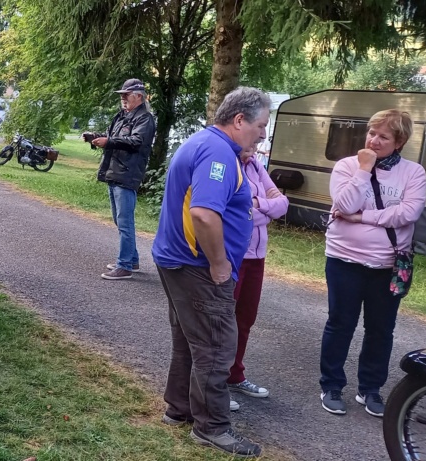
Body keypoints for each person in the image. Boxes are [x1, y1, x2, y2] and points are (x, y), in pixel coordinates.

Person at [151, 86, 271, 458]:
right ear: (239, 120)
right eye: (261, 125)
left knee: (191, 340)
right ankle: (212, 428)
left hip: (178, 261)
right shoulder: (218, 151)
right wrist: (220, 263)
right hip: (198, 267)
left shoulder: (204, 142)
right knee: (217, 347)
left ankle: (180, 408)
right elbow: (203, 214)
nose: (263, 134)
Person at [319, 109, 426, 418]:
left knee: (381, 329)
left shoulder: (413, 173)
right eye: (371, 133)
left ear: (400, 141)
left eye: (383, 136)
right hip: (344, 260)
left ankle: (370, 389)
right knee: (340, 324)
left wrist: (361, 218)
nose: (374, 140)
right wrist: (364, 169)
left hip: (388, 265)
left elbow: (408, 213)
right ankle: (331, 386)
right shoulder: (347, 166)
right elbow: (345, 204)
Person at [228, 140, 289, 403]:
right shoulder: (226, 162)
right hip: (232, 254)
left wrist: (256, 205)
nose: (258, 139)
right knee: (221, 321)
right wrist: (265, 206)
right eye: (255, 131)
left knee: (244, 319)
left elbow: (283, 204)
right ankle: (213, 383)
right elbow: (232, 211)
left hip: (256, 256)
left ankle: (234, 375)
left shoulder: (255, 165)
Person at [89, 78, 156, 280]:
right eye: (122, 95)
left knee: (125, 222)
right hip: (114, 172)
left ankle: (124, 265)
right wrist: (95, 137)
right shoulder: (122, 116)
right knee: (120, 221)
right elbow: (113, 137)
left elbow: (135, 141)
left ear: (139, 96)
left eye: (126, 95)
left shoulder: (145, 118)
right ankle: (132, 260)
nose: (123, 99)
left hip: (127, 174)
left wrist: (108, 141)